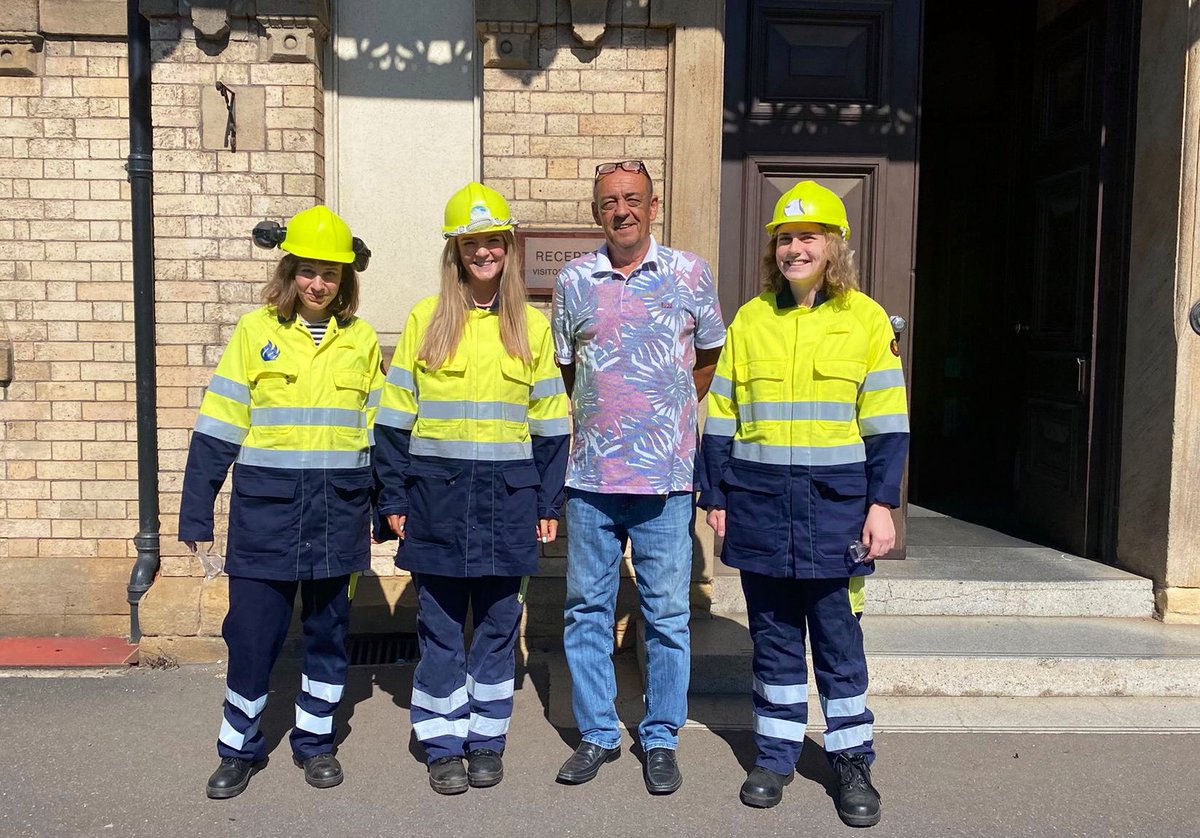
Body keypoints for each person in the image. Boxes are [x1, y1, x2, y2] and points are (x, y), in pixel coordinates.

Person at [698, 181, 908, 825]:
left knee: (839, 642)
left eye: (807, 237)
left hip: (837, 510)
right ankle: (776, 754)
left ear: (833, 245)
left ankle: (851, 763)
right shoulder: (751, 319)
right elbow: (722, 415)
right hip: (759, 506)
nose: (794, 248)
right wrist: (718, 493)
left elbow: (887, 423)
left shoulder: (866, 319)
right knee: (773, 639)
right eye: (785, 238)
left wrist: (882, 505)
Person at [178, 206, 382, 799]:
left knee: (328, 634)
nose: (319, 284)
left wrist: (378, 507)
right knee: (251, 635)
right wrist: (196, 512)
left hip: (337, 514)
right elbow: (219, 425)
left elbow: (375, 433)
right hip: (265, 516)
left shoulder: (361, 340)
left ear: (346, 281)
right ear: (291, 272)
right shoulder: (255, 332)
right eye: (309, 272)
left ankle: (315, 744)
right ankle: (238, 748)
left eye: (331, 275)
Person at [373, 182, 569, 795]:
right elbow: (393, 419)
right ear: (455, 252)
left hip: (508, 503)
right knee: (437, 624)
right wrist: (393, 500)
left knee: (497, 625)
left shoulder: (532, 329)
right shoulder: (423, 321)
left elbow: (552, 425)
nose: (483, 252)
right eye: (471, 243)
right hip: (437, 501)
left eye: (493, 242)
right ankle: (440, 741)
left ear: (507, 248)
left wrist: (548, 503)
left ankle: (487, 738)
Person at [551, 160, 726, 795]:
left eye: (633, 199)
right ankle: (597, 733)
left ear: (654, 206)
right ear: (597, 212)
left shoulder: (689, 273)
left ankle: (660, 737)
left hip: (666, 482)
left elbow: (708, 354)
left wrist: (673, 401)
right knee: (587, 610)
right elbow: (569, 370)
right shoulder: (574, 280)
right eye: (608, 202)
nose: (621, 210)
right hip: (593, 479)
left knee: (666, 616)